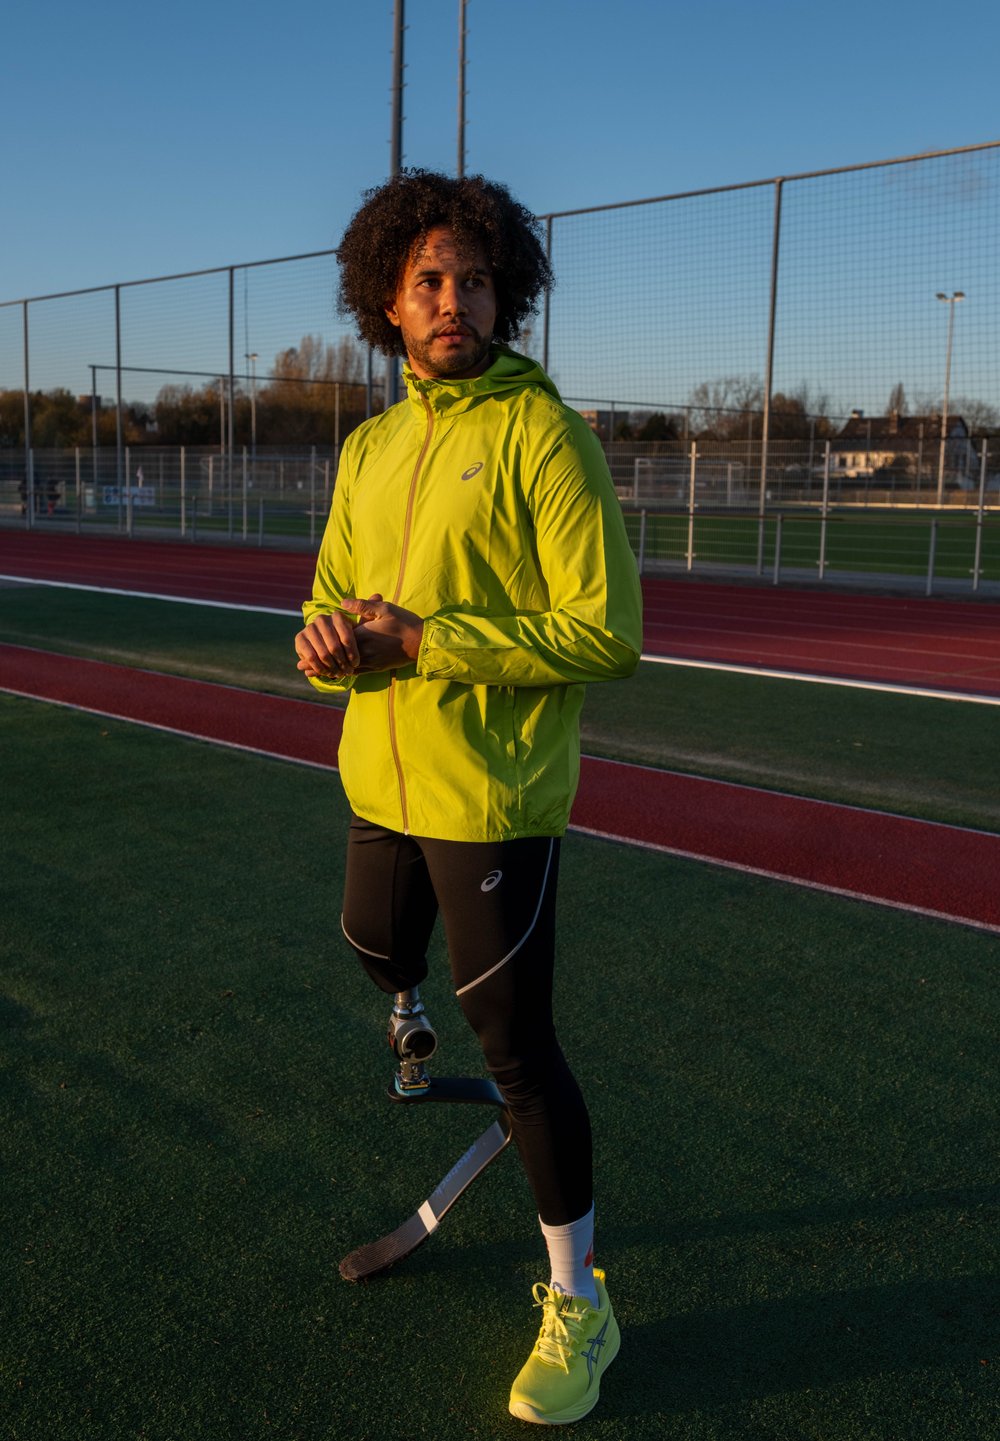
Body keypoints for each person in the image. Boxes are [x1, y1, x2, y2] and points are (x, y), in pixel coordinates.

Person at [294, 169, 642, 1426]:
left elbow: (606, 633)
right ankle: (406, 1017)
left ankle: (578, 1301)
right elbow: (328, 595)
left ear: (507, 293)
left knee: (519, 1055)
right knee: (373, 946)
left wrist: (428, 638)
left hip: (493, 798)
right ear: (386, 302)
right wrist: (326, 641)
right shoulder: (370, 445)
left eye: (475, 278)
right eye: (429, 280)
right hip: (378, 775)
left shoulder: (544, 436)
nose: (455, 300)